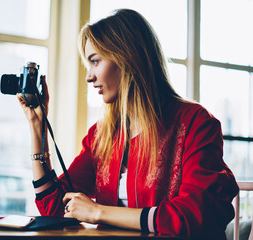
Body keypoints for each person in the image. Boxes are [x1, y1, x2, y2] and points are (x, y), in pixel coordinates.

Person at [17, 9, 238, 239]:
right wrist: (37, 127)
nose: (88, 76)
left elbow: (195, 216)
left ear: (126, 58)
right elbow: (55, 208)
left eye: (95, 61)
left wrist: (98, 212)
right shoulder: (101, 136)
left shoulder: (195, 123)